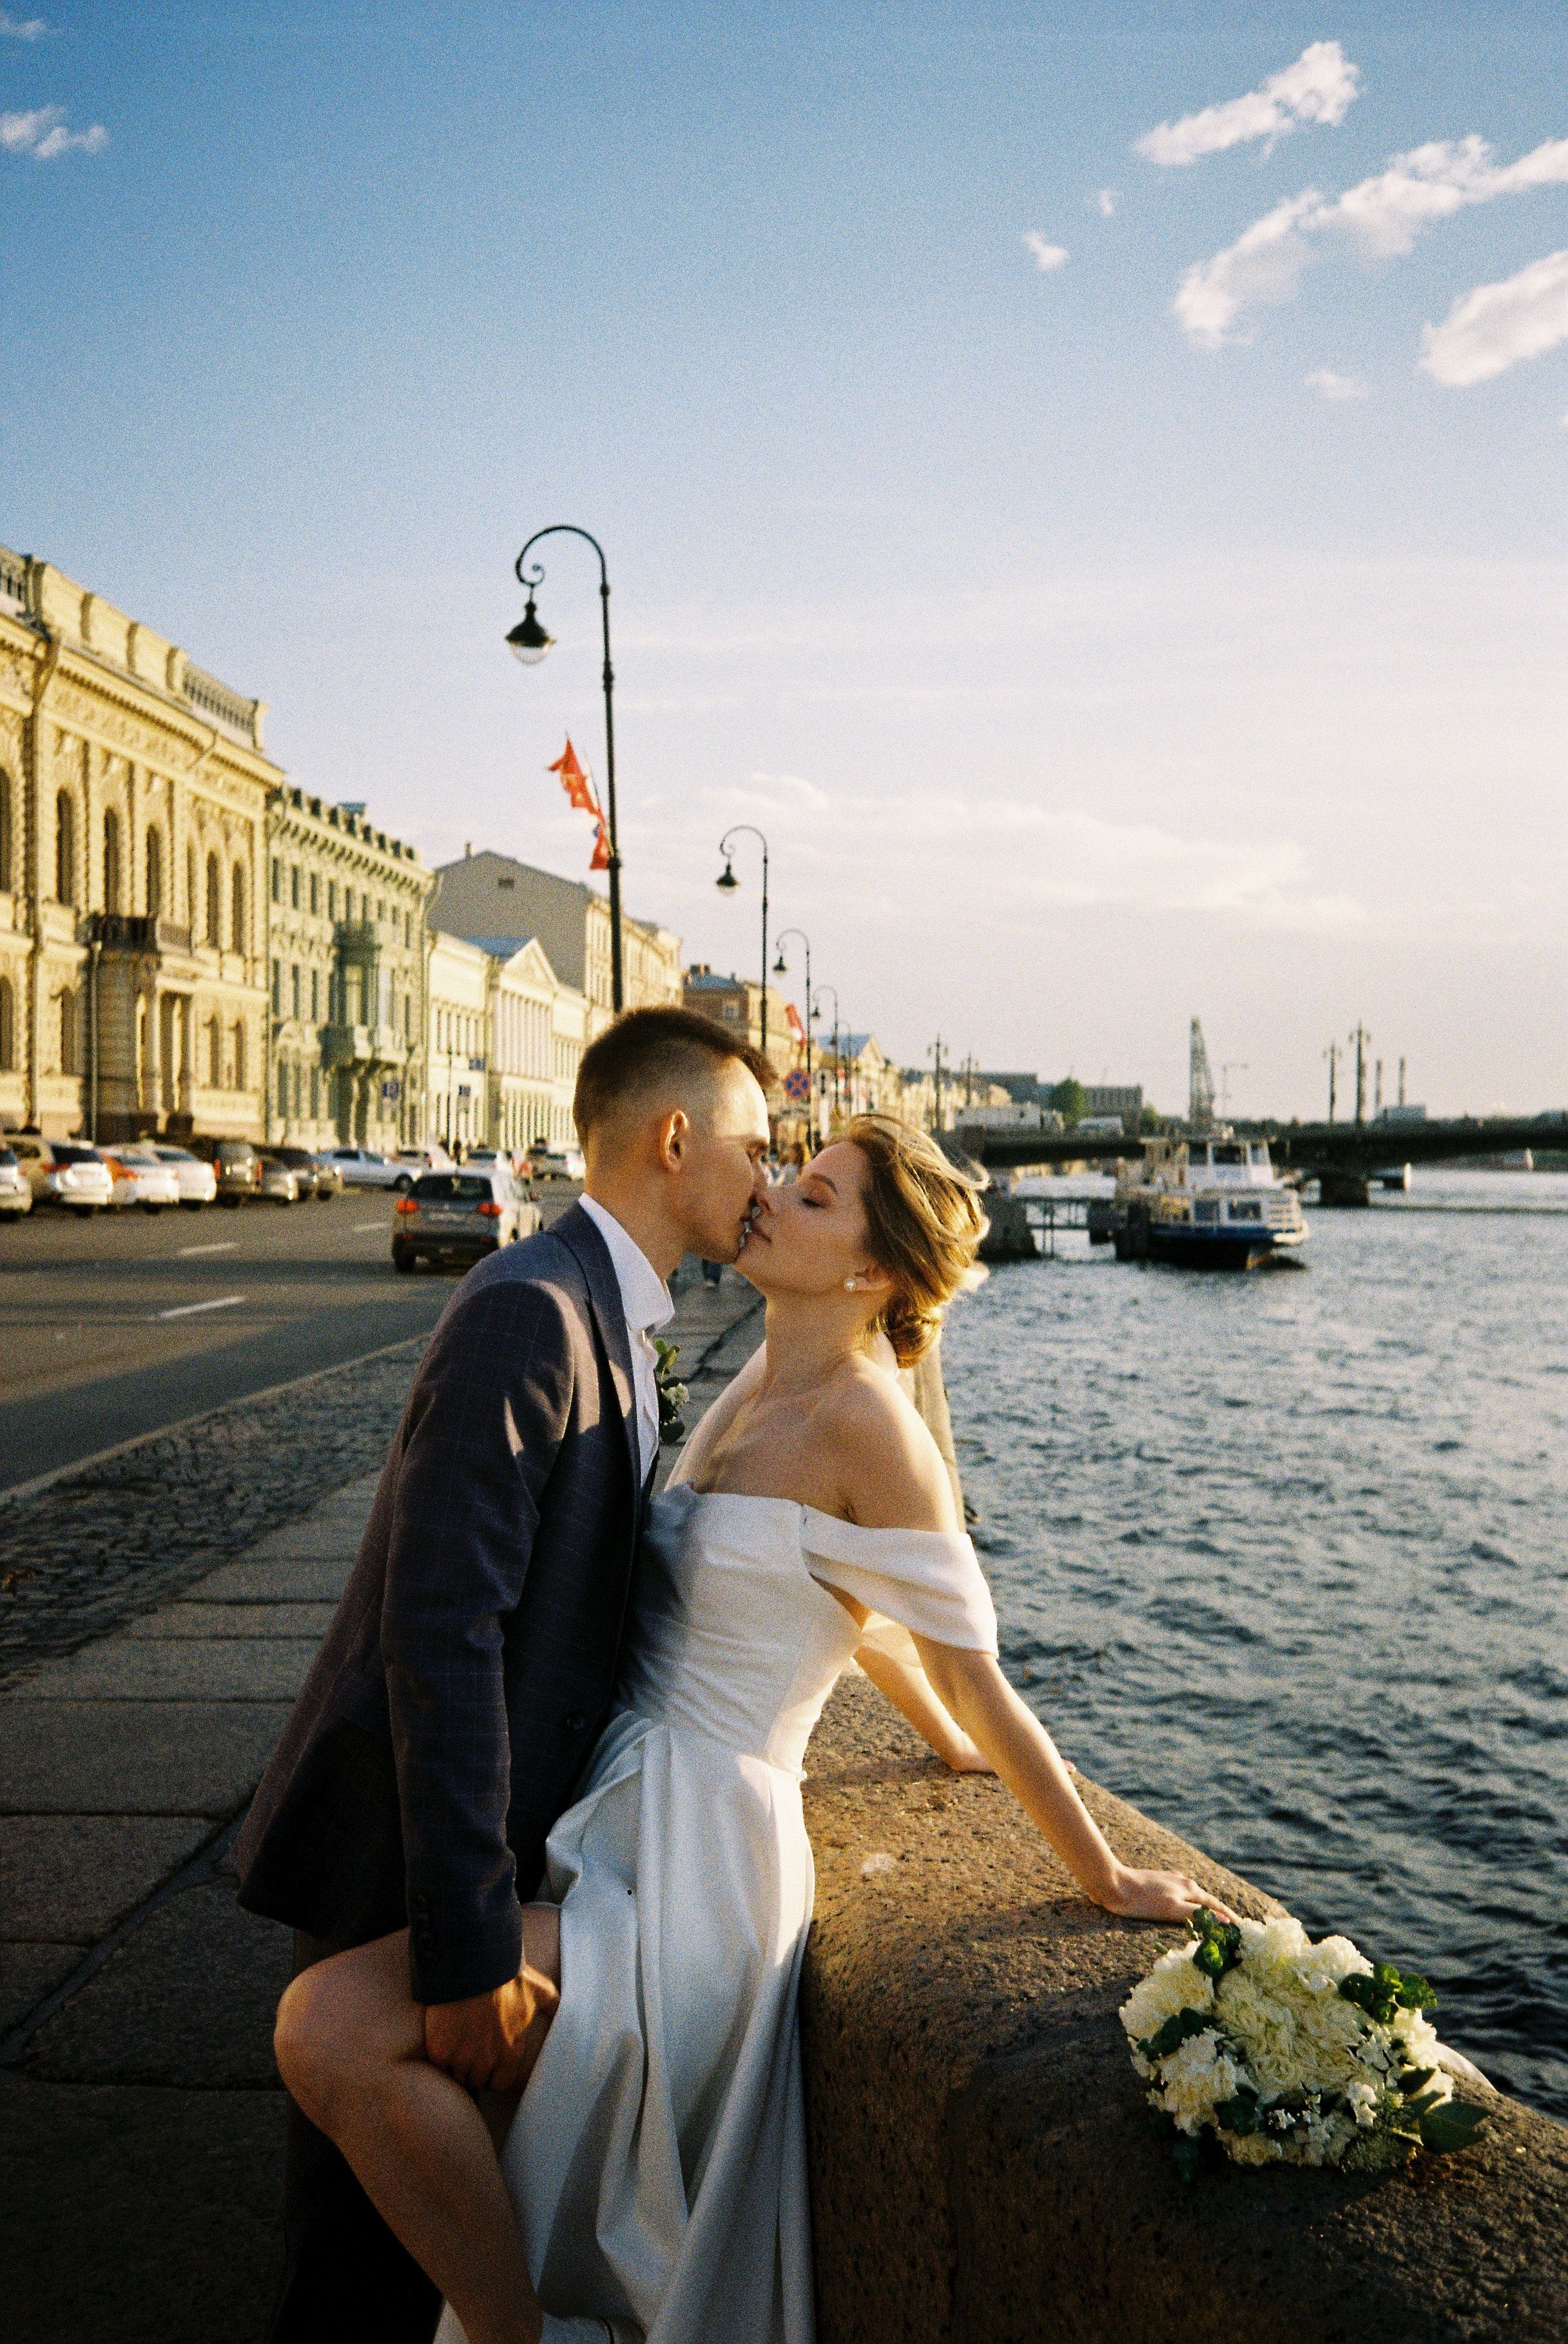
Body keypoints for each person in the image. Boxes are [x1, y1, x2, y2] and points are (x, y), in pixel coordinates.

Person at [271, 1114, 1230, 2344]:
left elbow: (972, 1664)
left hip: (701, 1859)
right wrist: (936, 1740)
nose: (775, 1194)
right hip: (612, 1805)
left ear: (871, 1272)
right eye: (791, 1172)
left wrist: (1103, 1871)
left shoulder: (872, 1427)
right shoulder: (756, 1381)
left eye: (818, 1196)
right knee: (434, 2065)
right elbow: (858, 1615)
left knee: (332, 2025)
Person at [237, 1006, 775, 2344]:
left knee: (405, 2248)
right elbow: (441, 1635)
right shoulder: (531, 1312)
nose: (767, 1176)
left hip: (459, 1846)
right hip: (402, 1856)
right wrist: (474, 1938)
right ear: (672, 1139)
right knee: (353, 2266)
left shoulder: (600, 1307)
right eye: (756, 1145)